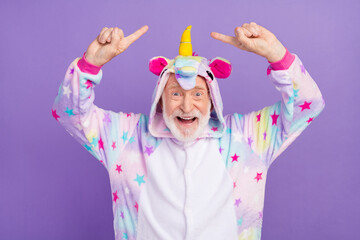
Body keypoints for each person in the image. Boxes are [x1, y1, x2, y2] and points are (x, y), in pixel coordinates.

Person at [52, 23, 325, 240]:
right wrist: (89, 65)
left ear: (212, 98)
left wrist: (276, 53)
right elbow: (70, 113)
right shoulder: (128, 137)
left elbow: (308, 105)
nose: (186, 106)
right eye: (175, 93)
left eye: (197, 93)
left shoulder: (246, 137)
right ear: (160, 97)